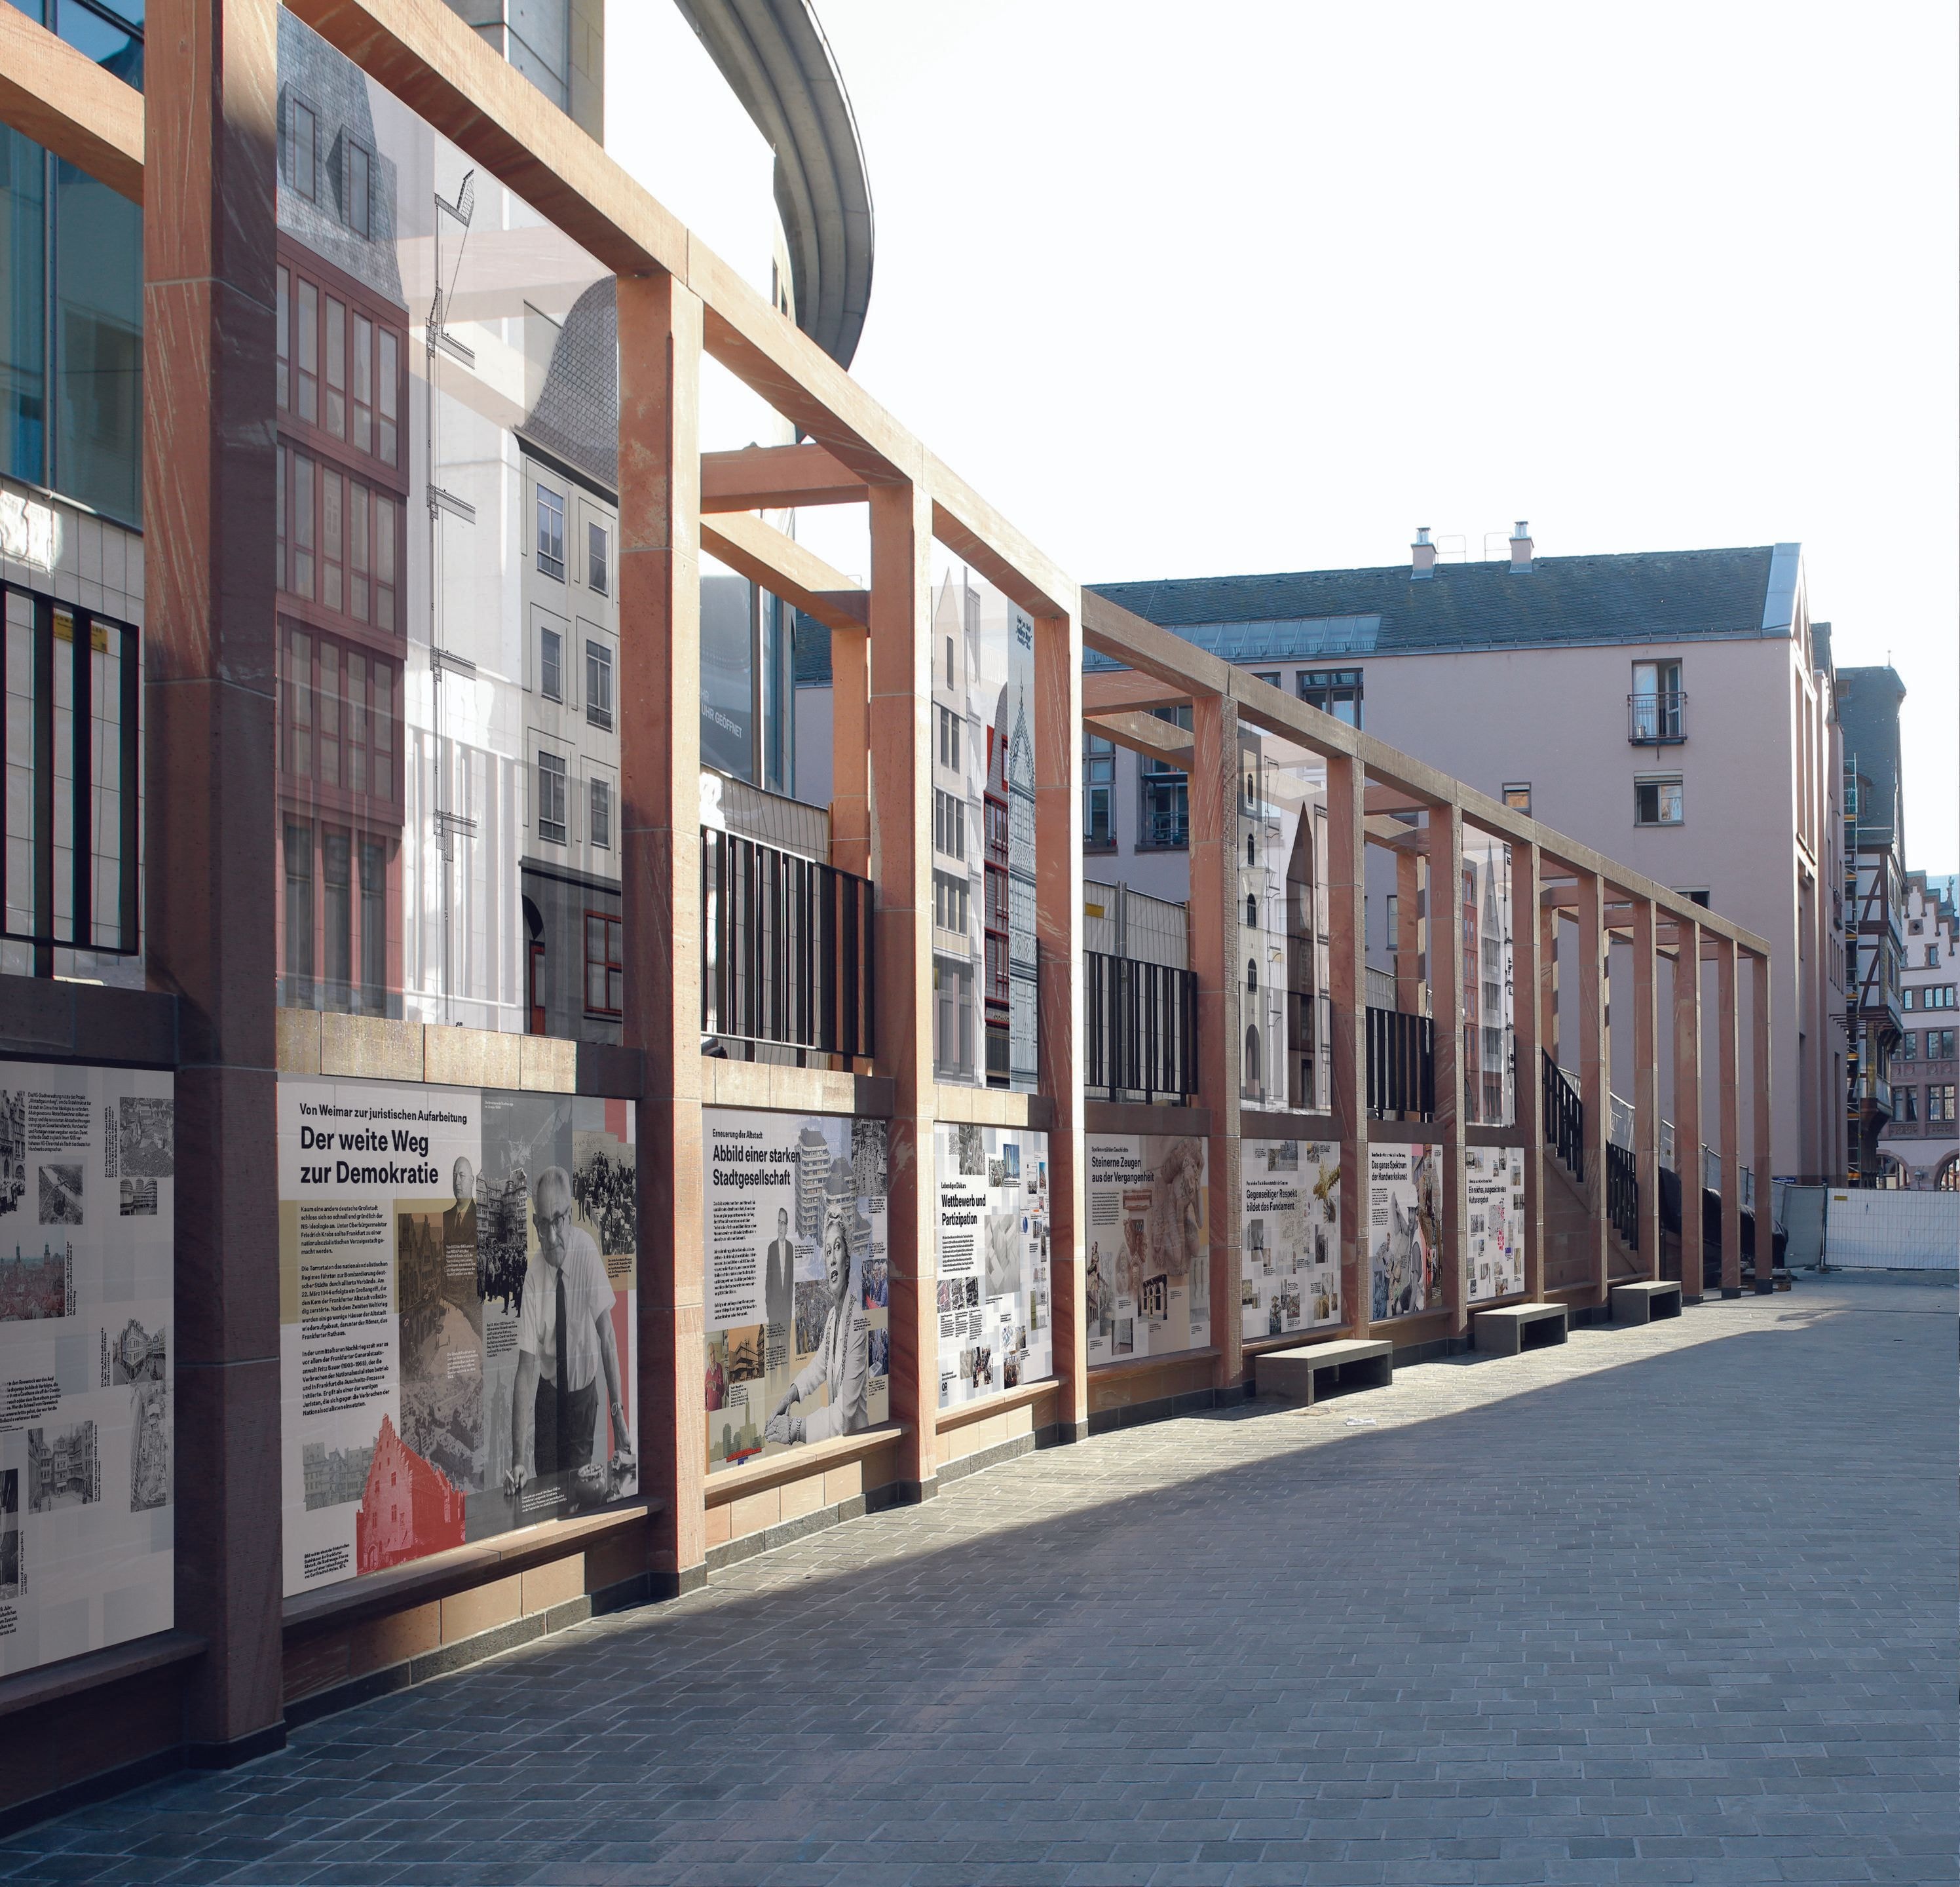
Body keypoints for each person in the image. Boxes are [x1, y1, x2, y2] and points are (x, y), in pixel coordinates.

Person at [506, 1166, 631, 1492]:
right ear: (535, 1224)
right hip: (549, 1395)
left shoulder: (586, 1252)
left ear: (571, 1216)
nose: (551, 1237)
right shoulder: (534, 1275)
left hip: (581, 1397)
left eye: (558, 1220)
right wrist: (517, 1459)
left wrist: (617, 1415)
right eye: (544, 1223)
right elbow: (525, 1368)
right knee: (546, 1490)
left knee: (581, 1491)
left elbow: (606, 1335)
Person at [764, 1205, 866, 1445]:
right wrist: (791, 1394)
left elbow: (845, 1412)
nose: (832, 1259)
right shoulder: (833, 1317)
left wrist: (797, 1428)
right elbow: (819, 1366)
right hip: (840, 1443)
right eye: (828, 1251)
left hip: (857, 1444)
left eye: (837, 1248)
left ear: (847, 1258)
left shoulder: (857, 1319)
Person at [763, 1206, 795, 1333]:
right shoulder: (772, 1248)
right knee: (774, 1348)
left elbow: (791, 1279)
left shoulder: (790, 1248)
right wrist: (769, 1308)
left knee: (786, 1348)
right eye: (779, 1223)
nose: (781, 1227)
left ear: (787, 1227)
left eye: (783, 1223)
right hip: (774, 1312)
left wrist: (790, 1306)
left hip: (786, 1311)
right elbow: (768, 1281)